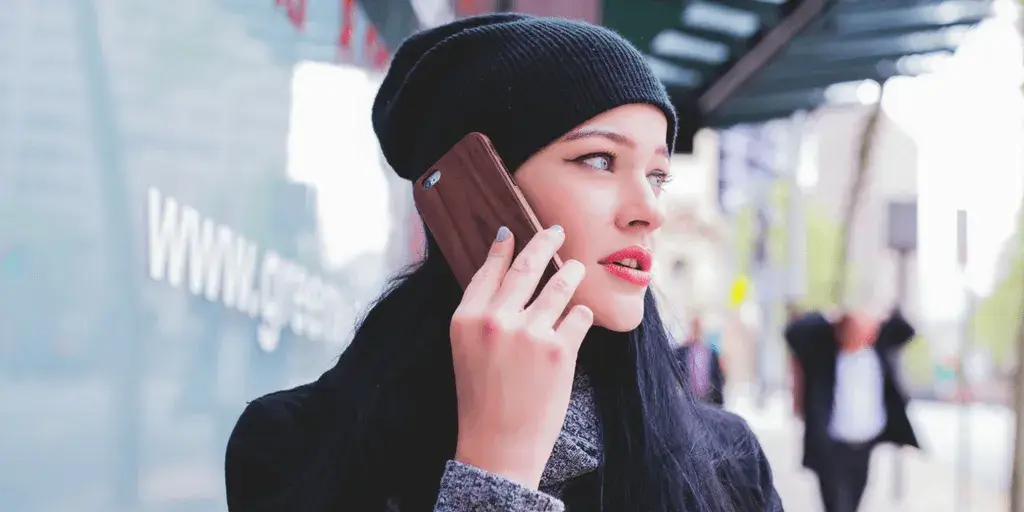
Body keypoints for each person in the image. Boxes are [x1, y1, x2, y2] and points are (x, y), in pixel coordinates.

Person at [225, 13, 783, 512]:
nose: (649, 212)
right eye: (599, 159)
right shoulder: (294, 446)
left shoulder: (726, 461)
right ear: (476, 193)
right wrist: (497, 471)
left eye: (657, 175)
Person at [784, 308, 919, 512]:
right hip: (832, 448)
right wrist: (828, 318)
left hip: (865, 445)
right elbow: (792, 333)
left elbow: (906, 330)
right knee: (837, 506)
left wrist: (877, 318)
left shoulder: (878, 351)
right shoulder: (823, 356)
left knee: (854, 503)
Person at [674, 316, 726, 406]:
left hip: (709, 401)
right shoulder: (682, 351)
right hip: (687, 401)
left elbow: (718, 377)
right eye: (695, 327)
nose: (697, 330)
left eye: (699, 328)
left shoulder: (711, 352)